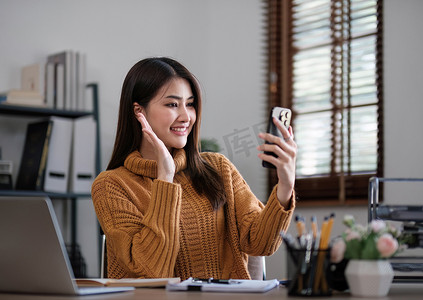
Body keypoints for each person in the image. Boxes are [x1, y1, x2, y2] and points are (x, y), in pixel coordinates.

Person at [91, 57, 297, 280]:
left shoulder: (218, 168)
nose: (186, 116)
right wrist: (165, 178)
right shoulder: (111, 185)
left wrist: (285, 186)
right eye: (172, 104)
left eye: (190, 104)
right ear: (138, 111)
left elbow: (261, 243)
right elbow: (150, 271)